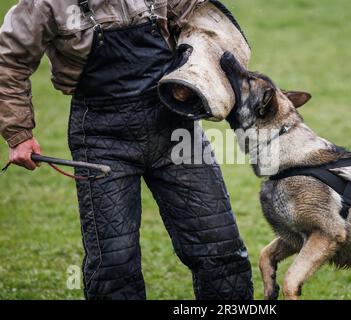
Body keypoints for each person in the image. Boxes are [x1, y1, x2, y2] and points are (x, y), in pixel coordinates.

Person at [0, 0, 253, 300]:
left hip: (173, 126)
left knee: (220, 248)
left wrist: (202, 64)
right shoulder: (45, 4)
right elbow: (9, 60)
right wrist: (18, 133)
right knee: (114, 265)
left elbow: (200, 16)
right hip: (102, 136)